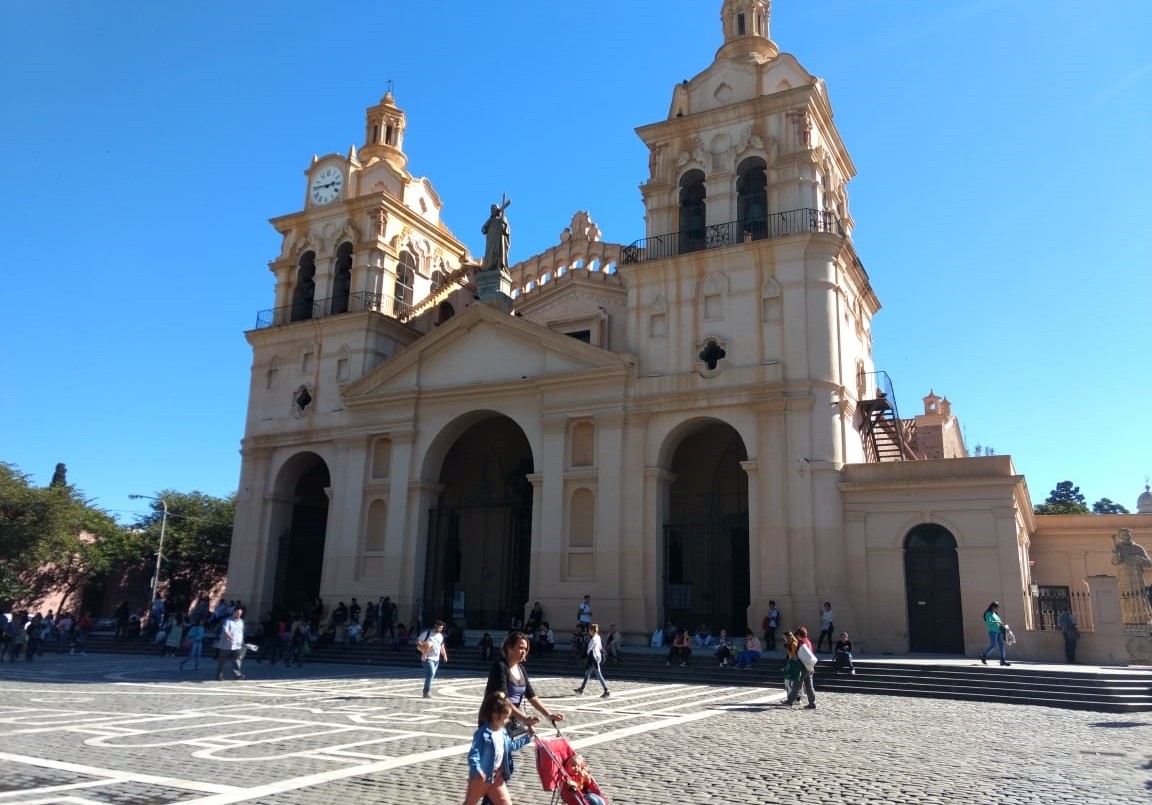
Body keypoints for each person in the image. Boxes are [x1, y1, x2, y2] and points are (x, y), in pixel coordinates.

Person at [484, 632, 565, 735]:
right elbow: (503, 700)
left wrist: (549, 715)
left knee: (506, 750)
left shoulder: (521, 669)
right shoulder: (500, 667)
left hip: (511, 721)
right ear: (509, 648)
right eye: (521, 648)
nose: (524, 652)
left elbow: (531, 696)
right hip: (496, 720)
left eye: (526, 649)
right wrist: (524, 719)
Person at [462, 692, 533, 805]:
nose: (508, 721)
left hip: (496, 778)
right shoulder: (482, 734)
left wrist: (528, 737)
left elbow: (511, 746)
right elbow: (473, 755)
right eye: (506, 718)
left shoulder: (503, 732)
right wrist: (477, 770)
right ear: (495, 717)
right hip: (480, 779)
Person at [781, 626, 817, 709]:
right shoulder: (808, 641)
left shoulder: (800, 642)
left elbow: (796, 654)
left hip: (803, 666)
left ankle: (790, 701)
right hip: (810, 666)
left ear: (799, 635)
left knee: (796, 685)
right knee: (809, 686)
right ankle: (812, 703)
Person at [573, 623, 610, 698]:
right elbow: (600, 647)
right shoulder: (598, 637)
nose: (589, 632)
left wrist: (584, 656)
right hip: (598, 657)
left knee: (598, 674)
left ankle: (606, 691)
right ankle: (581, 689)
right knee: (588, 673)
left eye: (589, 630)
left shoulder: (593, 639)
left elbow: (589, 650)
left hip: (594, 658)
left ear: (592, 631)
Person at [480, 198, 512, 275]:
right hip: (491, 240)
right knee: (490, 254)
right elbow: (483, 230)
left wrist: (503, 225)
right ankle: (489, 267)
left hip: (499, 240)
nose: (492, 210)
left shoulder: (503, 218)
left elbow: (506, 230)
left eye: (494, 209)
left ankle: (499, 265)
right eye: (492, 209)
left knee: (499, 252)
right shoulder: (490, 220)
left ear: (497, 210)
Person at [417, 620, 448, 698]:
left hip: (436, 659)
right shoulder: (427, 633)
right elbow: (418, 641)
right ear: (435, 626)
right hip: (427, 658)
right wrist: (422, 646)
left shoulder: (441, 636)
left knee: (431, 675)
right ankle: (426, 692)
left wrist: (444, 655)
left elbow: (442, 646)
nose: (440, 629)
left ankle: (426, 691)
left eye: (442, 628)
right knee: (430, 673)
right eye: (439, 627)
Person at [215, 606, 247, 681]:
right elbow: (225, 631)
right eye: (238, 613)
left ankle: (237, 675)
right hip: (226, 645)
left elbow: (241, 633)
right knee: (222, 661)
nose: (239, 615)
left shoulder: (241, 622)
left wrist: (242, 642)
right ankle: (218, 675)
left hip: (237, 645)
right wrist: (230, 637)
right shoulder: (227, 621)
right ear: (234, 612)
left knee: (237, 660)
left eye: (240, 613)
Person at [979, 601, 1010, 666]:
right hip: (992, 631)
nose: (997, 609)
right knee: (993, 645)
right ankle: (984, 655)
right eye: (996, 607)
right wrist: (997, 622)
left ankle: (1002, 660)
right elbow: (989, 621)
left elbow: (999, 621)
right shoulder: (988, 613)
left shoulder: (995, 614)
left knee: (1001, 645)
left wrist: (1003, 625)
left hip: (998, 631)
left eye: (997, 608)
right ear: (992, 607)